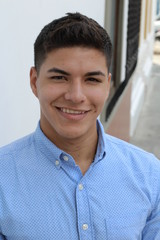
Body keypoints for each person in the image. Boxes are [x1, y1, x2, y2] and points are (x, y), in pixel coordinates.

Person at [0, 12, 160, 240]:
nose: (76, 96)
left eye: (92, 79)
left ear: (107, 85)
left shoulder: (150, 176)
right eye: (59, 78)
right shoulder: (3, 180)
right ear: (35, 82)